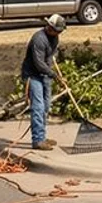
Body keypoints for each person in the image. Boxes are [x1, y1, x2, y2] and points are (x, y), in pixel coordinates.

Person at [22, 14, 68, 150]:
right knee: (38, 107)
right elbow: (39, 64)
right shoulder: (39, 39)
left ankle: (42, 136)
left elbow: (49, 58)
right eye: (57, 30)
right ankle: (37, 140)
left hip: (45, 75)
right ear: (49, 27)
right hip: (33, 75)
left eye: (60, 31)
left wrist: (55, 75)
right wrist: (54, 75)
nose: (59, 33)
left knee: (46, 106)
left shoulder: (54, 37)